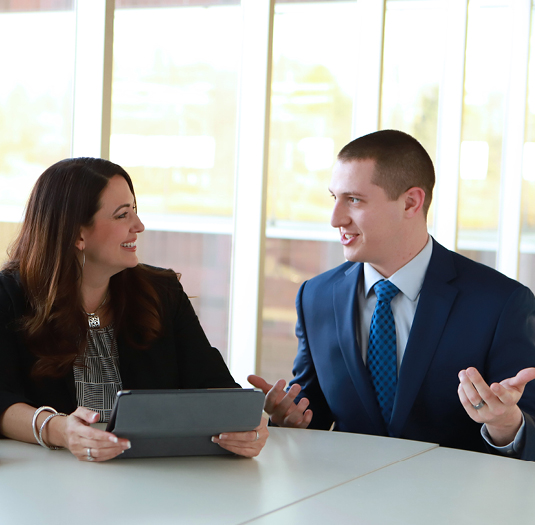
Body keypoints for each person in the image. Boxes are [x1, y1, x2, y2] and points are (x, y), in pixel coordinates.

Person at [249, 129, 535, 460]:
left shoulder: (500, 302)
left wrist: (504, 425)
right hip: (342, 500)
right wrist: (290, 418)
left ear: (411, 202)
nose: (335, 218)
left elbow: (529, 431)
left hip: (455, 504)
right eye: (334, 198)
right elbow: (315, 410)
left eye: (354, 200)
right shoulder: (316, 296)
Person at [0, 157, 268, 462]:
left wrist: (250, 425)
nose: (138, 226)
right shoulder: (8, 296)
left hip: (154, 484)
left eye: (135, 211)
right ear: (77, 234)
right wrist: (60, 430)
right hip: (44, 486)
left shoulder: (162, 292)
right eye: (122, 215)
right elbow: (2, 400)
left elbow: (213, 384)